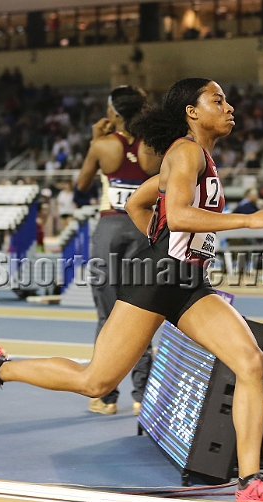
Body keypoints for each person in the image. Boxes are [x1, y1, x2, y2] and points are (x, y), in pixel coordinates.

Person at [0, 78, 263, 502]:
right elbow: (178, 215)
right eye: (218, 100)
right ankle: (0, 369)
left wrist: (161, 242)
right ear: (192, 112)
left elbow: (137, 205)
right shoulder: (185, 152)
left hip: (188, 283)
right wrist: (247, 221)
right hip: (157, 279)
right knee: (95, 381)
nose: (230, 107)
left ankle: (250, 483)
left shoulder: (196, 157)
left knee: (250, 361)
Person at [75, 86, 162, 416]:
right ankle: (143, 396)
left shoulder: (103, 145)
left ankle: (106, 397)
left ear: (113, 112)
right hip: (144, 229)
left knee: (107, 315)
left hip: (111, 229)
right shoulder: (152, 146)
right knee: (141, 314)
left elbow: (81, 187)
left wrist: (92, 143)